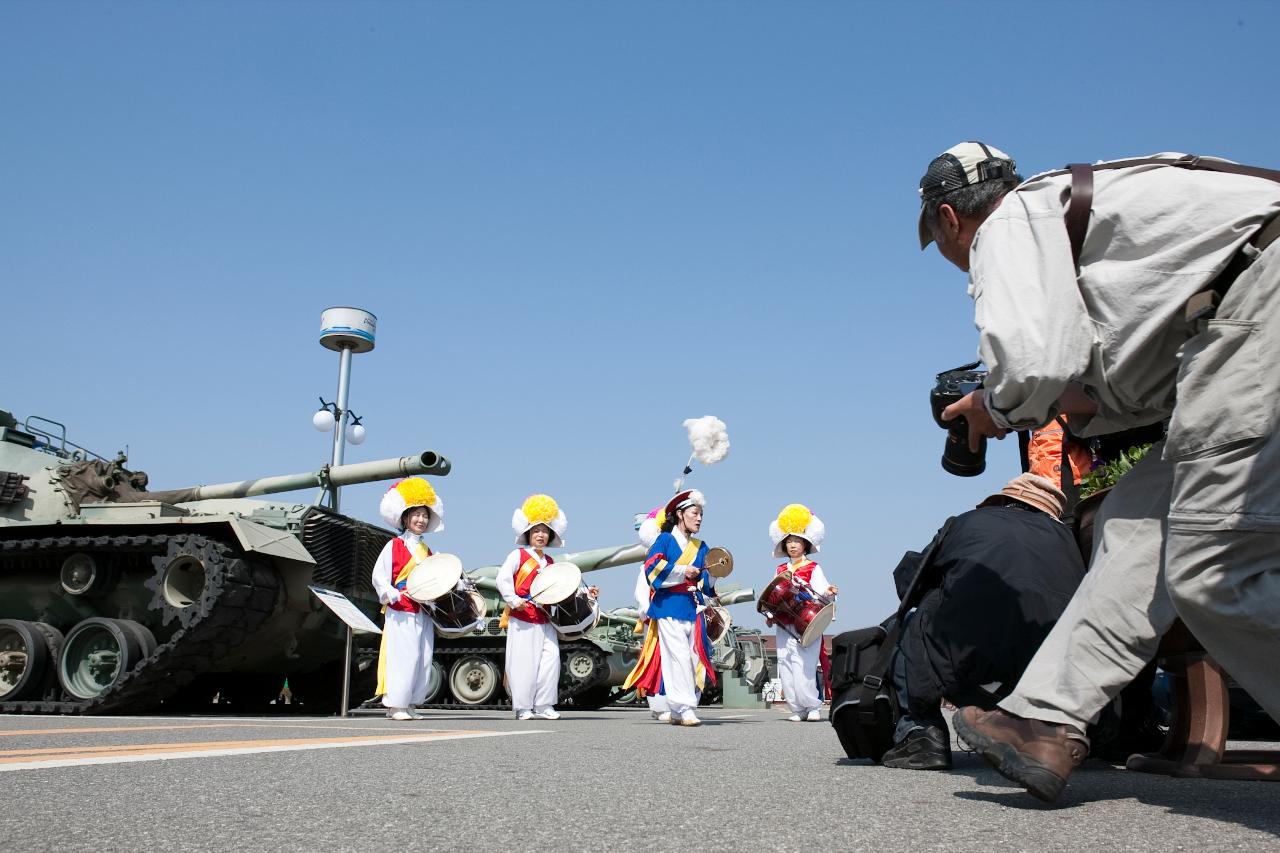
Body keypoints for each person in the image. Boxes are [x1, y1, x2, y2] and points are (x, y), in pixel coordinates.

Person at [918, 141, 1280, 800]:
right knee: (1139, 520)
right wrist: (1052, 397)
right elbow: (1126, 391)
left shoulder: (1009, 222)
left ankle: (1047, 716)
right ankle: (1046, 720)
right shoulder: (1073, 226)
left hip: (1262, 301)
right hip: (1241, 324)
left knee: (1214, 565)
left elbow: (1031, 369)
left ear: (949, 219)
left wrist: (992, 405)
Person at [880, 473, 1087, 770]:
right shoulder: (1068, 539)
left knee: (919, 615)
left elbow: (910, 585)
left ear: (1002, 501)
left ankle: (920, 734)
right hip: (1048, 674)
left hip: (966, 658)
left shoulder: (966, 522)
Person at [623, 489, 717, 727]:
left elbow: (705, 584)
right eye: (695, 513)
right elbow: (651, 567)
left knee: (694, 658)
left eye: (701, 515)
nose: (699, 519)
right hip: (668, 607)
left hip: (692, 608)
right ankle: (684, 707)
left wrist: (714, 575)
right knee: (679, 657)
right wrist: (682, 571)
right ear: (679, 514)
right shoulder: (664, 540)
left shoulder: (701, 546)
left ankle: (677, 710)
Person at [497, 494, 582, 721]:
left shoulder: (551, 563)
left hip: (545, 618)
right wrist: (514, 600)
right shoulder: (518, 555)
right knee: (523, 663)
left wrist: (586, 592)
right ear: (528, 534)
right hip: (523, 616)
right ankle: (523, 707)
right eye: (536, 531)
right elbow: (503, 579)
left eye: (545, 531)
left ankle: (544, 704)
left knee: (550, 660)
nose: (541, 535)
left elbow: (562, 589)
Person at [372, 477, 445, 721]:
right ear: (405, 518)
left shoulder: (427, 551)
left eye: (425, 515)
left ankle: (412, 702)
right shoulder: (394, 545)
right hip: (401, 609)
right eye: (416, 514)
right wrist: (394, 594)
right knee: (403, 655)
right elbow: (379, 577)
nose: (421, 520)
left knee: (423, 656)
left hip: (423, 610)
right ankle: (396, 705)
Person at [766, 503, 838, 722]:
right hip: (784, 624)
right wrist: (770, 615)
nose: (792, 545)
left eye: (796, 541)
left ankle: (812, 706)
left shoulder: (813, 568)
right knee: (786, 663)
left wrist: (830, 591)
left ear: (805, 544)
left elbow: (823, 592)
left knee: (805, 664)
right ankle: (796, 708)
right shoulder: (780, 570)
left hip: (807, 623)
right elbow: (772, 596)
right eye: (789, 541)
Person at [635, 505, 672, 721]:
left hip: (679, 615)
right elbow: (642, 593)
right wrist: (648, 612)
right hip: (656, 620)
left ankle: (677, 702)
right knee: (657, 661)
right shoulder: (647, 566)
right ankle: (659, 704)